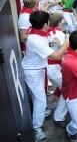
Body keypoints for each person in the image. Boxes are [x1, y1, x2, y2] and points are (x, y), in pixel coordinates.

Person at [22, 11, 69, 141]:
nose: (50, 23)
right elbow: (57, 56)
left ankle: (40, 115)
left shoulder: (36, 31)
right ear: (44, 24)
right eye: (48, 21)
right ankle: (36, 128)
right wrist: (66, 41)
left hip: (38, 69)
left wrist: (52, 40)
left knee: (39, 99)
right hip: (33, 72)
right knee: (41, 100)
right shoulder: (35, 40)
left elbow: (45, 38)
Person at [46, 13, 69, 127]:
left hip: (50, 66)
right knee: (67, 90)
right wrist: (67, 39)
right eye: (61, 21)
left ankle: (58, 97)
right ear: (59, 23)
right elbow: (66, 50)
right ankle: (59, 116)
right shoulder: (59, 34)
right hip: (54, 67)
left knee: (64, 87)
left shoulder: (45, 33)